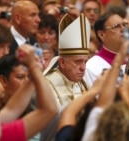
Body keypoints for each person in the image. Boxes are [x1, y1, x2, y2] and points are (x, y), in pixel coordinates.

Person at [41, 13, 91, 141]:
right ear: (62, 62)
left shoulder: (84, 84)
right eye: (78, 62)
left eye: (85, 61)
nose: (83, 67)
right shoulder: (47, 85)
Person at [84, 10, 129, 88]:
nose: (123, 29)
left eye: (124, 25)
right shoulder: (92, 67)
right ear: (102, 35)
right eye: (116, 26)